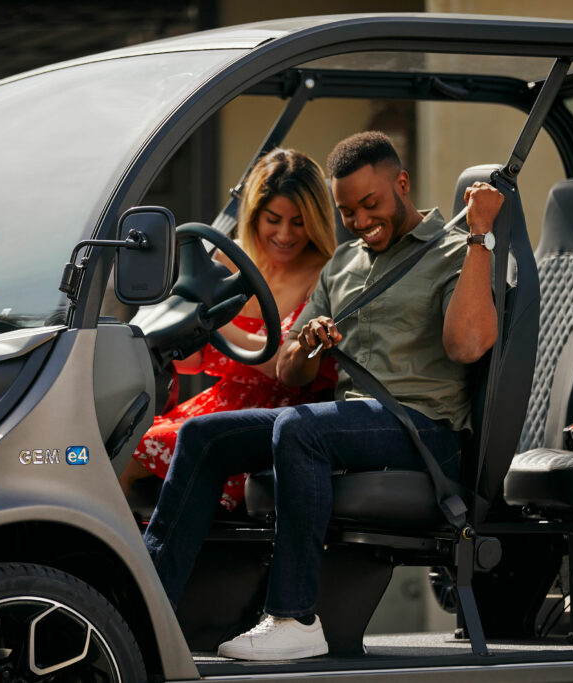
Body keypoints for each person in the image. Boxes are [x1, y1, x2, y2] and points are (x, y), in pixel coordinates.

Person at [143, 131, 502, 660]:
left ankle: (294, 618)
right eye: (347, 211)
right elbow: (289, 371)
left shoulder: (453, 252)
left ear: (402, 184)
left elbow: (468, 344)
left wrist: (479, 236)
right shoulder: (343, 265)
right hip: (352, 422)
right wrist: (308, 344)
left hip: (424, 430)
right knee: (202, 435)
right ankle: (148, 608)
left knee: (300, 428)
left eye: (370, 204)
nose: (359, 221)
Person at [120, 148, 338, 511]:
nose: (285, 234)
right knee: (115, 438)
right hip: (217, 403)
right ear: (254, 214)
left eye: (299, 222)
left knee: (135, 452)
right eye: (273, 219)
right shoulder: (226, 258)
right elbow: (192, 363)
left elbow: (283, 367)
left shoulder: (326, 272)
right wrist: (182, 323)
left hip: (283, 416)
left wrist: (216, 320)